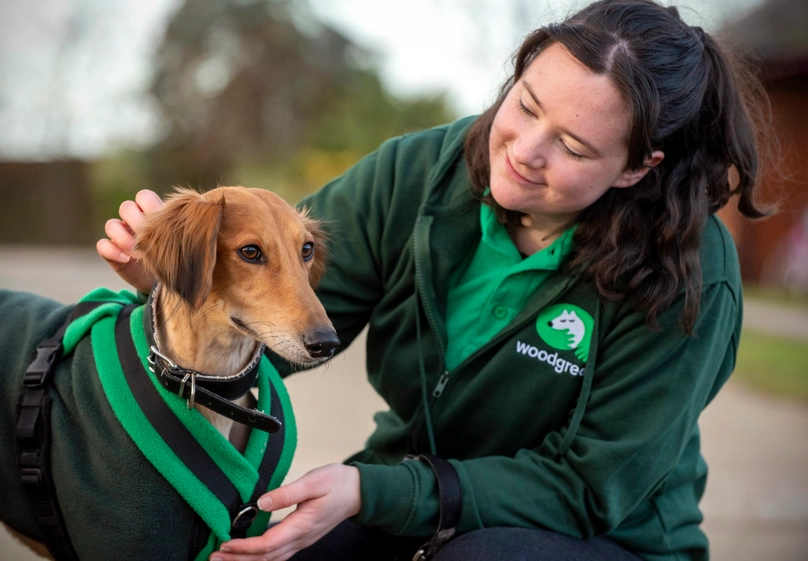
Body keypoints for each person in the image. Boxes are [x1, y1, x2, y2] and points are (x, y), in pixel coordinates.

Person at [97, 1, 772, 559]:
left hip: (603, 538)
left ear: (635, 167)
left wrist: (375, 491)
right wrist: (179, 287)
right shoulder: (415, 173)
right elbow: (287, 326)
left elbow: (589, 487)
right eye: (526, 104)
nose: (524, 150)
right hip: (409, 489)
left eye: (571, 145)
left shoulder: (691, 275)